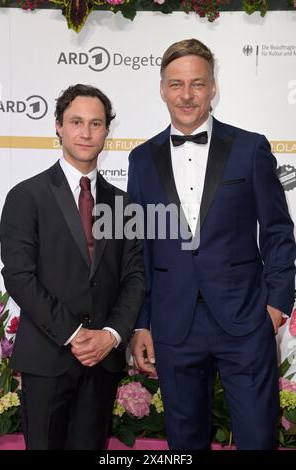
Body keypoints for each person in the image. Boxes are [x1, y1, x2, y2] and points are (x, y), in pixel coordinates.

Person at [127, 39, 296, 450]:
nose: (187, 95)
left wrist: (275, 306)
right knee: (185, 443)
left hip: (245, 319)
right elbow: (139, 248)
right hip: (173, 324)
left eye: (197, 83)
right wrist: (142, 321)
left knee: (258, 438)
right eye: (177, 84)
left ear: (213, 87)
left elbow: (277, 231)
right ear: (162, 89)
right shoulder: (141, 158)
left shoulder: (249, 147)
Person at [0, 84, 145, 450]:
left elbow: (134, 276)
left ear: (107, 132)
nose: (86, 132)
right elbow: (18, 275)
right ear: (58, 127)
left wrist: (110, 335)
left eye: (96, 123)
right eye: (76, 122)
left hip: (103, 363)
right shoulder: (26, 195)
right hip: (48, 357)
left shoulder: (123, 203)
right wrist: (74, 334)